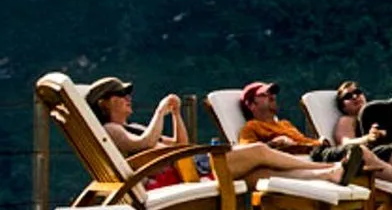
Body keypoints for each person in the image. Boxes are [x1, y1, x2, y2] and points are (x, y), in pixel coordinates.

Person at [87, 77, 358, 187]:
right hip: (192, 172)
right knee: (259, 151)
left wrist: (176, 115)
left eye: (128, 94)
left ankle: (328, 174)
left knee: (261, 174)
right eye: (121, 94)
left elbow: (181, 144)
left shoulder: (131, 128)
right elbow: (144, 143)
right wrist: (159, 112)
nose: (128, 98)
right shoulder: (112, 130)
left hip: (194, 166)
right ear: (104, 103)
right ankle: (330, 166)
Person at [235, 81, 392, 197]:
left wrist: (318, 141)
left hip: (316, 151)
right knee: (360, 152)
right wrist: (273, 144)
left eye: (272, 93)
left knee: (376, 153)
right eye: (264, 95)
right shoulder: (251, 127)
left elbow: (305, 141)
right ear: (251, 104)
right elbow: (251, 154)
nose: (272, 96)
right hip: (303, 160)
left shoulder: (285, 124)